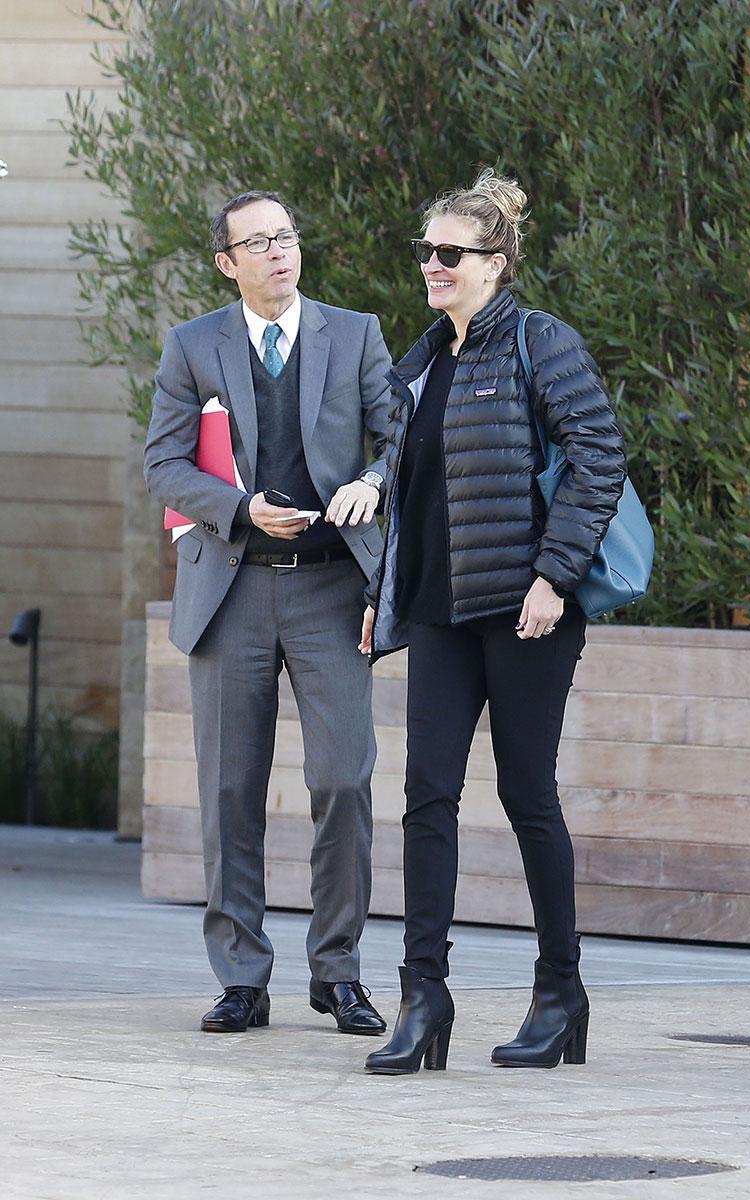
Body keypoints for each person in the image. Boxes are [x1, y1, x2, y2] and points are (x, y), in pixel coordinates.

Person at [360, 169, 627, 1074]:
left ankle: (561, 994)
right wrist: (383, 597)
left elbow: (599, 455)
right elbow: (410, 484)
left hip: (524, 613)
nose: (432, 266)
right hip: (438, 609)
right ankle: (423, 999)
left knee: (527, 798)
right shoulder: (427, 354)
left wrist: (554, 576)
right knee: (424, 796)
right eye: (427, 252)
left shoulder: (539, 343)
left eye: (451, 253)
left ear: (497, 264)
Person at [144, 190, 391, 1036]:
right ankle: (242, 977)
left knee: (344, 781)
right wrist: (242, 509)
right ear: (227, 262)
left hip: (330, 590)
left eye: (286, 236)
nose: (279, 252)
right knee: (229, 790)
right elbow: (165, 464)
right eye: (258, 242)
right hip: (232, 589)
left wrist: (373, 480)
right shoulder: (191, 346)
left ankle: (339, 973)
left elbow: (401, 439)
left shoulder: (355, 333)